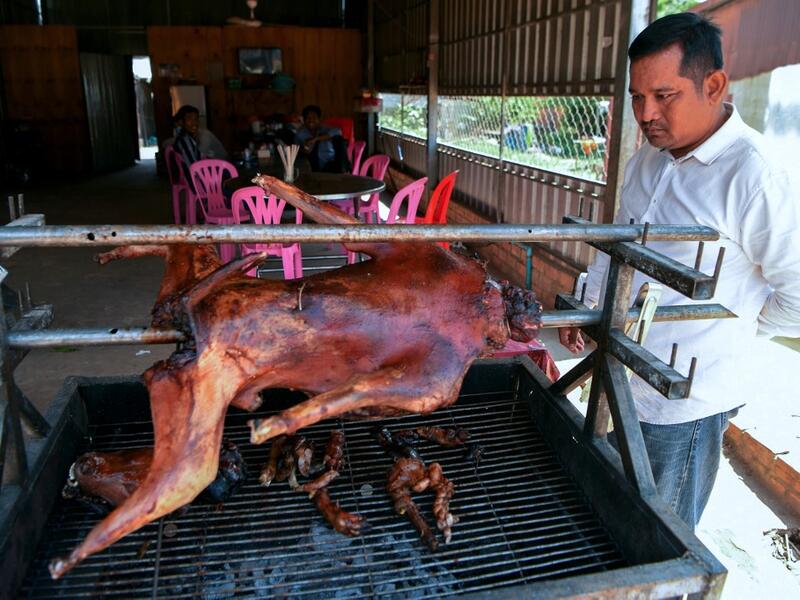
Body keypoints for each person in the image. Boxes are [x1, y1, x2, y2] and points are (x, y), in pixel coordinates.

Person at [559, 13, 800, 529]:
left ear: (713, 85)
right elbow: (616, 244)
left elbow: (798, 295)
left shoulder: (755, 177)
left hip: (684, 406)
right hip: (618, 372)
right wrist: (589, 305)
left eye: (663, 96)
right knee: (604, 504)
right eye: (636, 97)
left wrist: (731, 326)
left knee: (658, 532)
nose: (645, 114)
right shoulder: (649, 159)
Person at [294, 104, 349, 173]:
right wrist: (305, 150)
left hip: (331, 164)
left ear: (319, 119)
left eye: (314, 118)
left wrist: (316, 139)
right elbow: (296, 149)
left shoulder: (325, 129)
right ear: (304, 120)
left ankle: (343, 170)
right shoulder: (300, 134)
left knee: (339, 140)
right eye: (308, 118)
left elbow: (338, 131)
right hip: (312, 166)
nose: (311, 121)